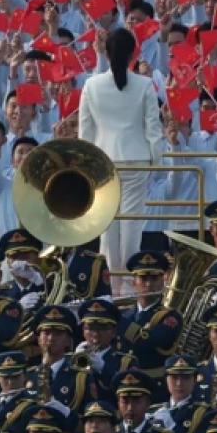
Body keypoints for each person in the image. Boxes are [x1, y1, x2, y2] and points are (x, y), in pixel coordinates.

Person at [78, 28, 164, 291]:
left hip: (103, 161)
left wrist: (87, 166)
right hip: (136, 160)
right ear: (133, 54)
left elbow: (85, 131)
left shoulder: (91, 85)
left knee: (107, 226)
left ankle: (110, 286)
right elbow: (153, 128)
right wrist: (158, 163)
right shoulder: (145, 84)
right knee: (131, 227)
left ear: (106, 52)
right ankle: (127, 286)